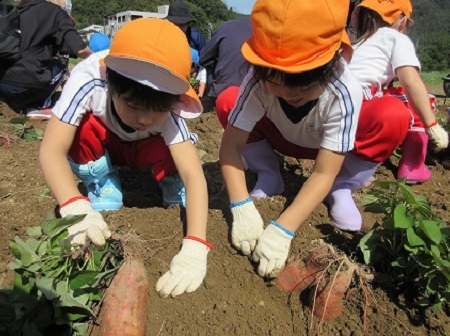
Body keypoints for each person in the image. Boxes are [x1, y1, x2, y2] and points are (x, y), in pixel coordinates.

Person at [217, 0, 412, 279]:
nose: (287, 93)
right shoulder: (258, 80)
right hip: (280, 137)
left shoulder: (343, 89)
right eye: (275, 82)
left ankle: (341, 188)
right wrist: (240, 205)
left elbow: (323, 171)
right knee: (227, 101)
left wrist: (284, 228)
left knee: (393, 115)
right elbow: (232, 146)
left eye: (303, 85)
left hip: (331, 154)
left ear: (333, 62)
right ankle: (268, 172)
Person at [39, 18, 211, 297]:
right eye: (132, 104)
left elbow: (194, 176)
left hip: (146, 151)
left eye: (156, 111)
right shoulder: (90, 78)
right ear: (111, 82)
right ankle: (102, 179)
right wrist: (73, 204)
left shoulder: (170, 108)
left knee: (176, 154)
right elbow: (51, 149)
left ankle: (168, 180)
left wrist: (195, 245)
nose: (144, 118)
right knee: (78, 129)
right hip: (104, 141)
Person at [347, 0, 448, 184]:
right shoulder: (396, 38)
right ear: (402, 22)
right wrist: (431, 124)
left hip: (335, 105)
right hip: (359, 103)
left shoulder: (358, 40)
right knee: (420, 100)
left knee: (391, 96)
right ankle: (413, 167)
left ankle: (351, 162)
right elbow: (411, 82)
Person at [0, 0, 93, 118]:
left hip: (2, 84)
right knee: (61, 65)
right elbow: (80, 49)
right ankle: (39, 106)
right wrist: (97, 58)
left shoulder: (19, 9)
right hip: (24, 87)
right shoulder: (55, 12)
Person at [199, 16, 252, 111]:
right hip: (255, 94)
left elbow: (203, 59)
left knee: (208, 67)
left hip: (222, 90)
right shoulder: (270, 32)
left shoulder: (227, 26)